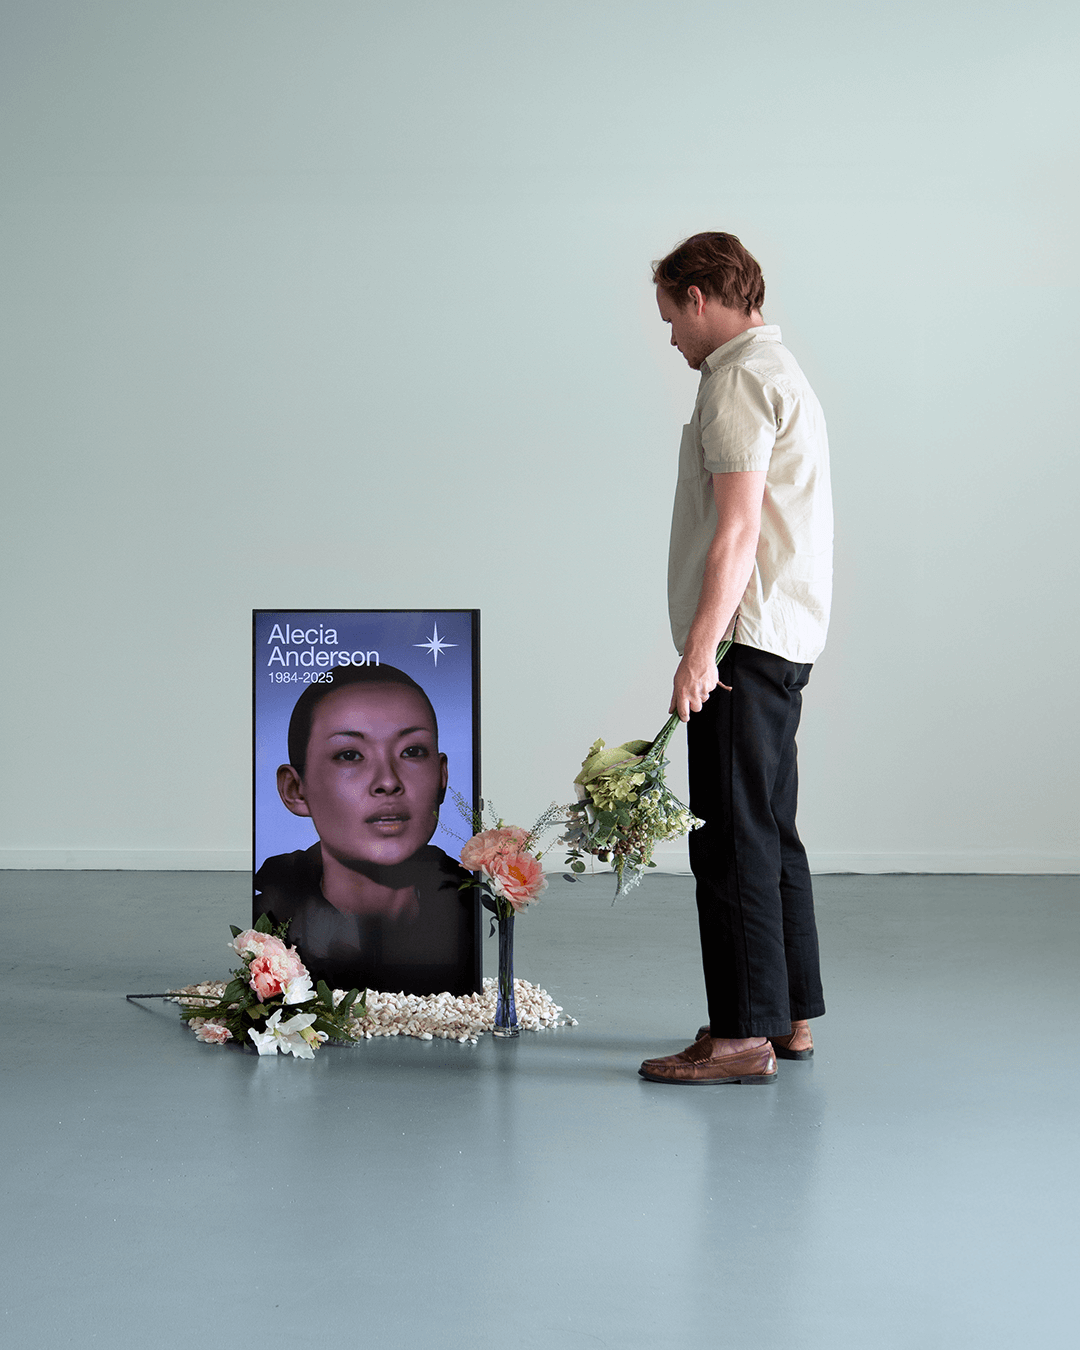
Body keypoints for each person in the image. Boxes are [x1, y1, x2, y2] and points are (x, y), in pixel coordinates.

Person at [638, 232, 833, 1086]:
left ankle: (740, 1037)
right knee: (769, 829)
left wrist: (700, 652)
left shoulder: (736, 380)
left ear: (699, 297)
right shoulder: (780, 372)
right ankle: (787, 1018)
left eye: (671, 318)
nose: (671, 340)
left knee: (728, 841)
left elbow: (739, 528)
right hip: (783, 639)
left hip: (743, 643)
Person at [255, 664, 480, 996]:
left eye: (412, 751)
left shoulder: (479, 916)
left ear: (442, 777)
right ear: (295, 789)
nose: (388, 781)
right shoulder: (270, 929)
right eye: (350, 755)